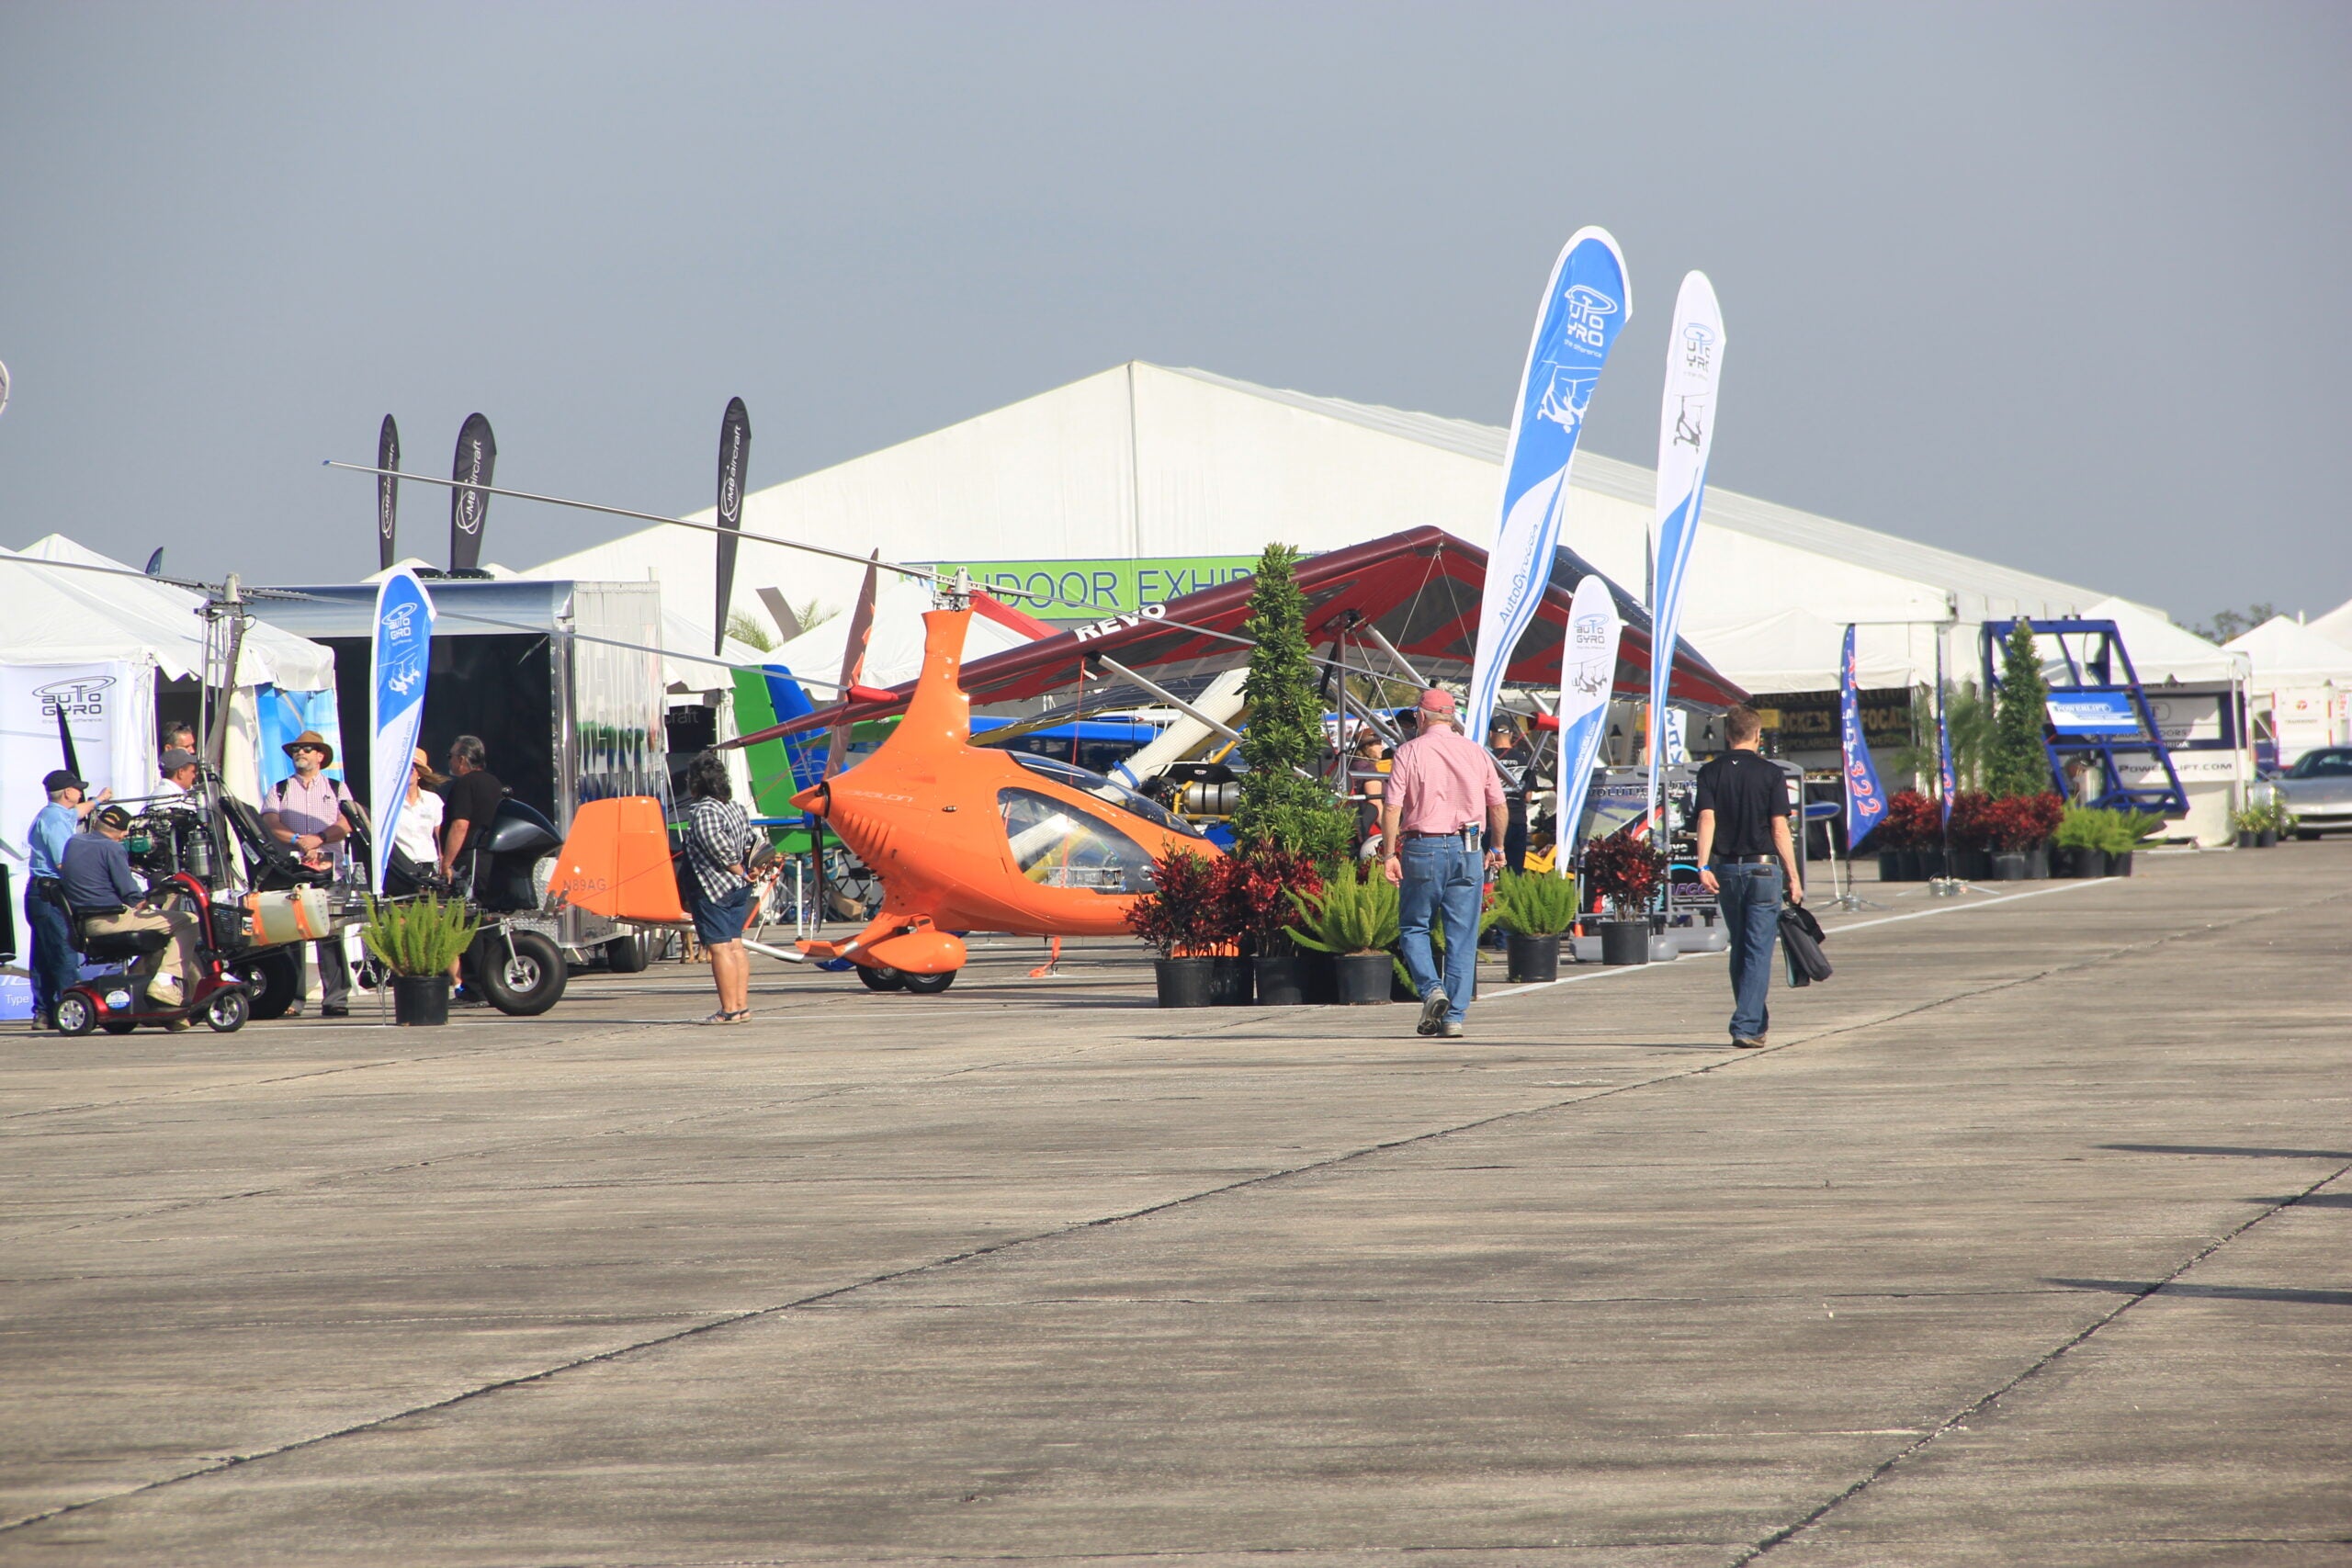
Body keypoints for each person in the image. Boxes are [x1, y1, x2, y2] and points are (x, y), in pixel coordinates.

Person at [1381, 688, 1508, 1039]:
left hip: (1424, 847)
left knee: (1414, 927)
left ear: (1421, 716)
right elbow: (1498, 805)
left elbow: (1392, 807)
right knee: (1462, 936)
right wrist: (1496, 846)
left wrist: (1389, 854)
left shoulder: (1408, 751)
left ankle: (1431, 989)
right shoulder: (1476, 752)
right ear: (1450, 717)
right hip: (1469, 849)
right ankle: (1454, 1018)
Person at [1694, 705, 1804, 1049]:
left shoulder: (1710, 772)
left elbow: (1706, 819)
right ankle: (1745, 1024)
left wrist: (1702, 866)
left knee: (1740, 946)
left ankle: (1755, 1021)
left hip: (1727, 868)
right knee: (1757, 949)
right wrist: (1794, 875)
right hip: (1762, 869)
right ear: (1758, 736)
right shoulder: (1771, 773)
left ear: (1728, 735)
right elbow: (1779, 827)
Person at [61, 804, 201, 1012]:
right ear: (122, 833)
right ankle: (164, 982)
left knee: (158, 927)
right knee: (188, 921)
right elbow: (129, 892)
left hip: (84, 923)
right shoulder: (113, 847)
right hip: (112, 920)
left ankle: (158, 989)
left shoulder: (73, 842)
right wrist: (147, 898)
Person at [259, 729, 355, 1019]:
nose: (300, 753)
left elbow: (347, 821)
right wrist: (296, 840)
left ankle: (336, 998)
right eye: (297, 749)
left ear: (320, 755)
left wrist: (319, 838)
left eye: (307, 749)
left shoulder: (337, 787)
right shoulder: (280, 788)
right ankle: (292, 997)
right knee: (292, 933)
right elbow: (270, 821)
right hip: (293, 869)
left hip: (329, 867)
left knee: (329, 932)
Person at [26, 768, 108, 1030]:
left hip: (40, 892)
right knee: (63, 951)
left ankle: (44, 1012)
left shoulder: (57, 813)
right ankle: (73, 1006)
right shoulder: (54, 821)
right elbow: (65, 862)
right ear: (67, 792)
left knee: (43, 954)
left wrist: (98, 800)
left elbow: (76, 812)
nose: (80, 792)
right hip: (50, 893)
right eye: (77, 788)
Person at [681, 750, 758, 1025]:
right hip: (738, 888)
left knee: (719, 949)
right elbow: (751, 841)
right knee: (736, 946)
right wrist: (751, 869)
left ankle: (728, 1010)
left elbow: (717, 846)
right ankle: (742, 1007)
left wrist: (738, 868)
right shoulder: (735, 807)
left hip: (712, 887)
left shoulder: (703, 810)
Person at [384, 747, 446, 896]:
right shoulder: (388, 802)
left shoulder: (433, 800)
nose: (406, 773)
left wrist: (445, 865)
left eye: (410, 769)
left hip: (427, 868)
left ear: (419, 773)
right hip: (399, 868)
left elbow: (441, 836)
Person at [1487, 716, 1539, 874]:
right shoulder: (1525, 760)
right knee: (1513, 876)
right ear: (1510, 735)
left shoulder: (1486, 758)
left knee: (1489, 873)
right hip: (1518, 823)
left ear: (1490, 734)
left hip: (1493, 825)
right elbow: (1528, 797)